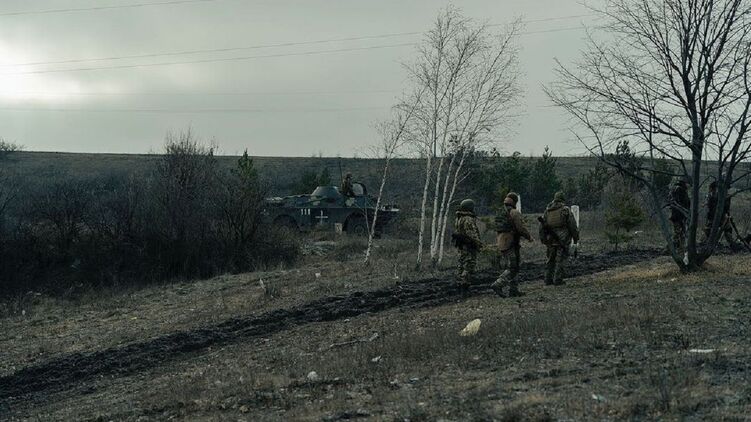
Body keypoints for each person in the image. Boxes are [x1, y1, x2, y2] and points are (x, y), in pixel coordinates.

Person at [491, 192, 533, 297]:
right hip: (511, 242)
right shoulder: (514, 212)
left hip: (501, 242)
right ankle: (498, 284)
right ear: (514, 202)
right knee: (513, 267)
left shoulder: (500, 212)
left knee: (513, 265)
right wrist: (529, 237)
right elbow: (520, 228)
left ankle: (513, 290)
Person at [540, 191, 579, 286]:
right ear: (563, 199)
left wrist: (544, 239)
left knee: (550, 259)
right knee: (560, 259)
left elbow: (542, 227)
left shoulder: (547, 211)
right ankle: (558, 279)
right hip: (563, 239)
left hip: (550, 240)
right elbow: (572, 226)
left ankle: (548, 279)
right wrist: (575, 238)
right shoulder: (565, 210)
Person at [452, 199, 483, 288]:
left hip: (462, 244)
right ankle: (464, 282)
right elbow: (471, 234)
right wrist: (479, 244)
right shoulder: (468, 219)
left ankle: (459, 280)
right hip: (469, 245)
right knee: (470, 263)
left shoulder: (459, 217)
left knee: (461, 263)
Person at [704, 181, 737, 248]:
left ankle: (732, 244)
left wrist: (728, 215)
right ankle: (708, 243)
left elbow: (726, 208)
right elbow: (711, 206)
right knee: (708, 230)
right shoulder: (714, 195)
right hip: (714, 216)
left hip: (721, 216)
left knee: (728, 229)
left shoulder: (724, 196)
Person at [668, 179, 690, 252]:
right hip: (679, 215)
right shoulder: (680, 190)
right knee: (679, 232)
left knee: (680, 232)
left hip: (679, 215)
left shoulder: (676, 189)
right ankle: (674, 248)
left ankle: (679, 248)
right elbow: (681, 203)